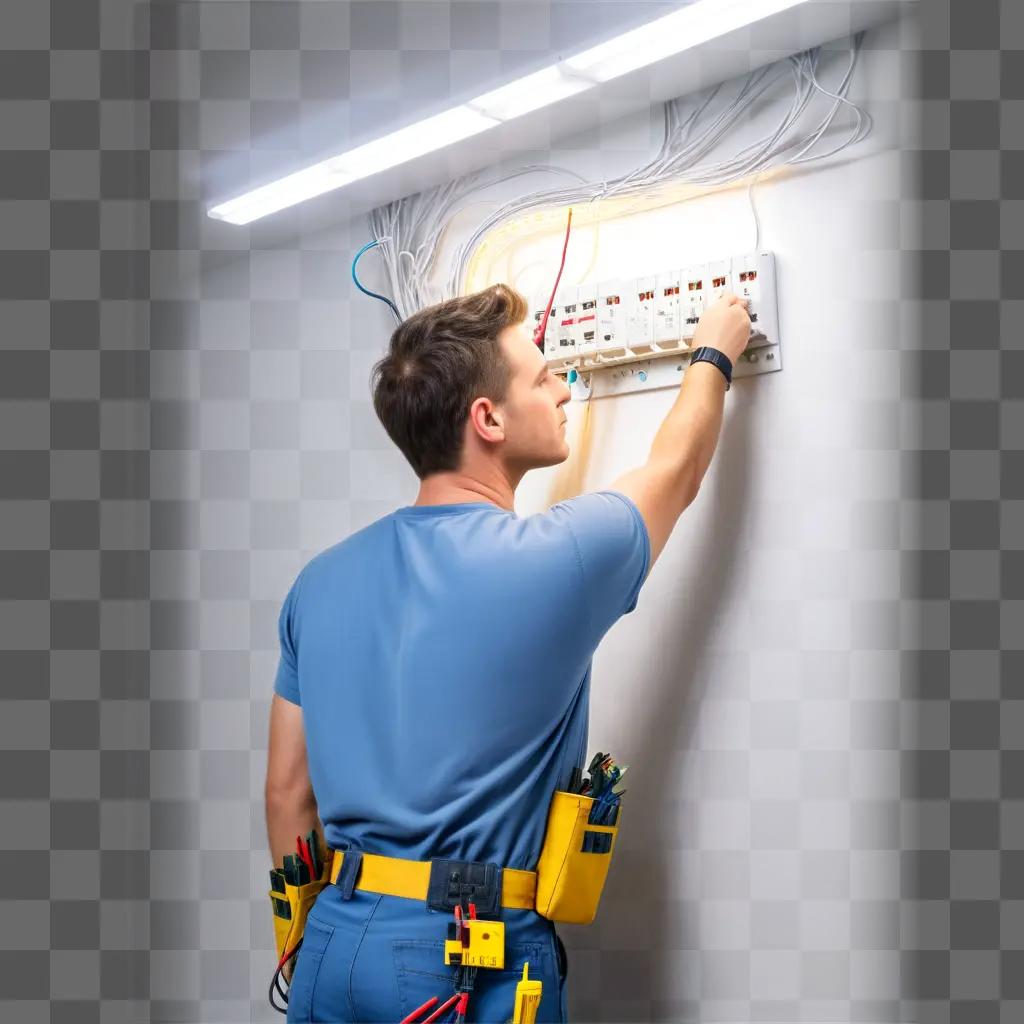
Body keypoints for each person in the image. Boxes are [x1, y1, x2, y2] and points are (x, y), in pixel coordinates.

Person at [265, 283, 751, 1023]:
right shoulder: (557, 558)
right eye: (542, 373)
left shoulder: (318, 581)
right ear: (486, 418)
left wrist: (316, 945)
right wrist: (715, 348)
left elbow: (287, 795)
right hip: (459, 958)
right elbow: (675, 473)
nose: (563, 387)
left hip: (329, 942)